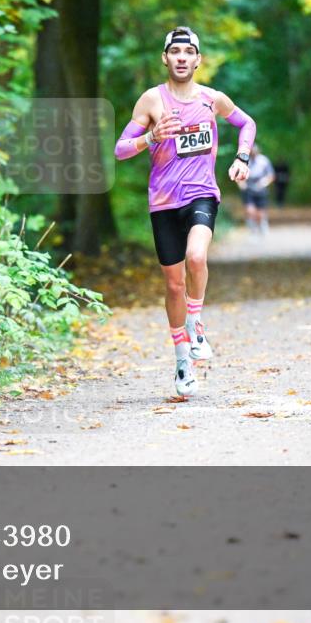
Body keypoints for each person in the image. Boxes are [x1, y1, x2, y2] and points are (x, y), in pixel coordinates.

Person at [113, 26, 256, 397]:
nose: (180, 57)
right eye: (174, 51)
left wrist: (242, 157)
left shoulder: (212, 99)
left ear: (197, 60)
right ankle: (181, 361)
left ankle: (196, 323)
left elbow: (246, 123)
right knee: (173, 284)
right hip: (162, 202)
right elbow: (120, 149)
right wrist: (151, 137)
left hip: (201, 194)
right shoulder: (151, 101)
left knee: (197, 256)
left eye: (187, 51)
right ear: (165, 58)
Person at [240, 143, 274, 235]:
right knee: (249, 210)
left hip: (261, 189)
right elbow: (239, 175)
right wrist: (241, 184)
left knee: (260, 213)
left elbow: (271, 176)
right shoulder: (244, 160)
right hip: (249, 189)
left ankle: (262, 224)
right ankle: (252, 229)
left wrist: (264, 183)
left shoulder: (264, 161)